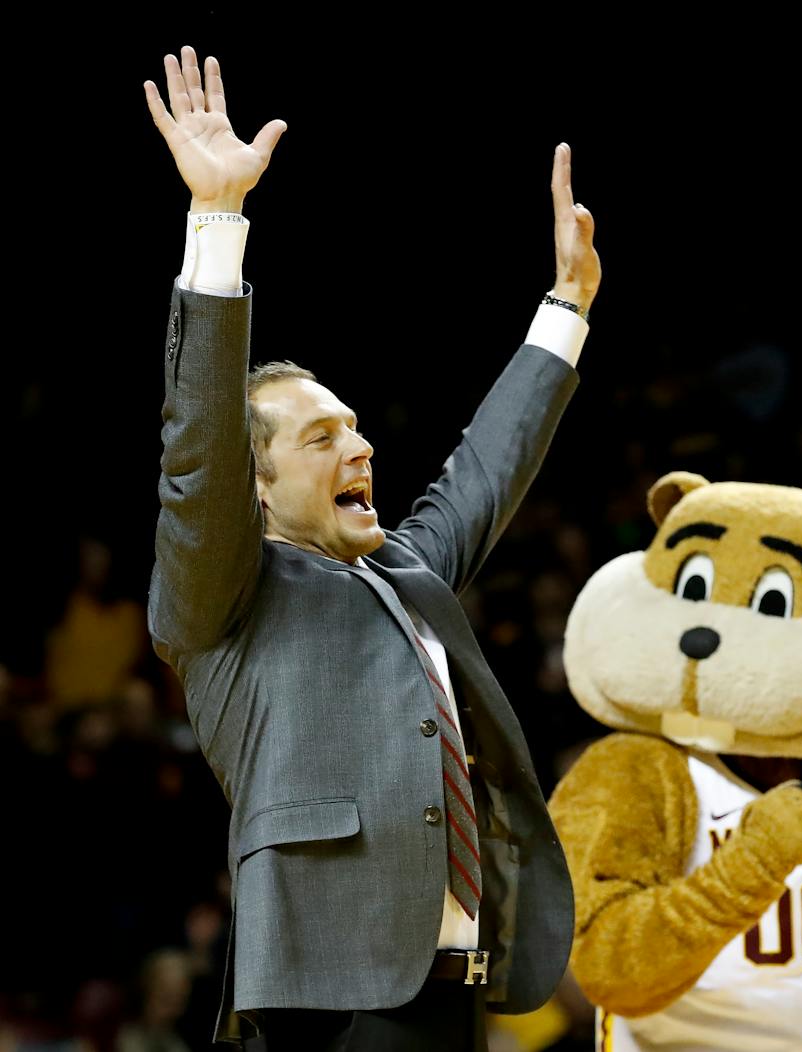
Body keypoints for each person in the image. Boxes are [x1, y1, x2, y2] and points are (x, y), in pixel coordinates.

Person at [143, 45, 600, 1050]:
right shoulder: (223, 591)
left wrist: (562, 311)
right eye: (320, 436)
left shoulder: (404, 572)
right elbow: (198, 452)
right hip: (324, 994)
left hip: (447, 984)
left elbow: (482, 472)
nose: (359, 445)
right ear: (253, 485)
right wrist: (217, 222)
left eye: (353, 426)